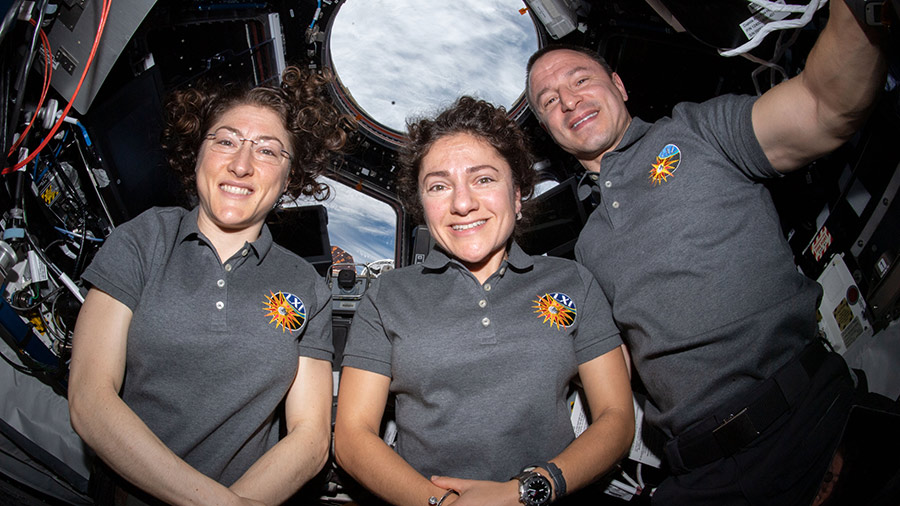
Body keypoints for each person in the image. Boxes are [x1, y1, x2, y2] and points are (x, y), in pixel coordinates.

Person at [525, 1, 888, 504]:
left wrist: (859, 11)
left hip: (809, 423)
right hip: (702, 474)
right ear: (549, 129)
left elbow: (825, 107)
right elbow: (612, 369)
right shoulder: (588, 249)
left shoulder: (698, 131)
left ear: (619, 86)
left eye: (580, 80)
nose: (567, 101)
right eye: (548, 101)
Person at [67, 66, 349, 505]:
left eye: (268, 151)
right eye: (226, 141)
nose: (241, 164)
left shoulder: (304, 286)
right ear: (196, 154)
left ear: (289, 179)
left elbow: (310, 439)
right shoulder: (144, 239)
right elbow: (90, 398)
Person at [333, 96, 634, 506]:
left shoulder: (572, 281)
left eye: (484, 179)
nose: (461, 203)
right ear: (423, 206)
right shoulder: (388, 295)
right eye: (439, 186)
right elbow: (352, 437)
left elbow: (616, 419)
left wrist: (527, 492)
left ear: (517, 195)